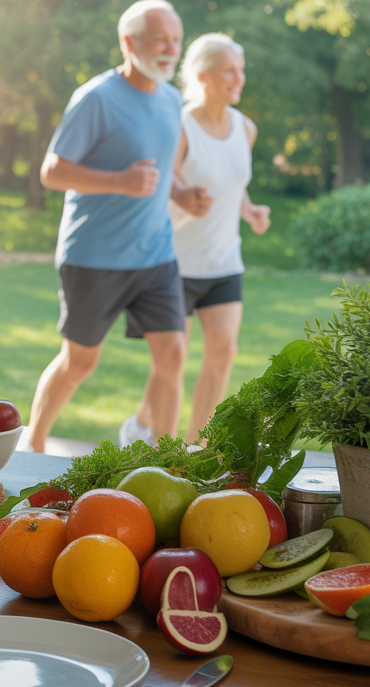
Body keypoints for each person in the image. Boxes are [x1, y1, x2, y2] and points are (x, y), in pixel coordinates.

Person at [26, 0, 187, 452]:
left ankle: (165, 458)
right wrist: (120, 181)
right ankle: (33, 446)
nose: (170, 49)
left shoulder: (173, 100)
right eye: (160, 39)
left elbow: (159, 172)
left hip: (156, 254)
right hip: (94, 256)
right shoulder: (96, 98)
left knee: (172, 356)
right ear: (128, 42)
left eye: (176, 40)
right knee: (79, 363)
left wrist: (181, 192)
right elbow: (52, 171)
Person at [121, 33, 271, 446]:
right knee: (171, 360)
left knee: (223, 353)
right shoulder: (181, 125)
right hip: (174, 264)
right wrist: (183, 195)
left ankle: (196, 447)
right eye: (229, 70)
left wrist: (250, 209)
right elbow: (159, 177)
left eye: (240, 71)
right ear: (203, 76)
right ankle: (141, 426)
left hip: (224, 261)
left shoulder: (246, 129)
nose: (238, 79)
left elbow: (230, 182)